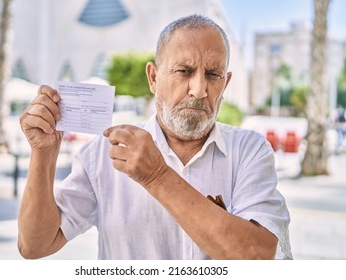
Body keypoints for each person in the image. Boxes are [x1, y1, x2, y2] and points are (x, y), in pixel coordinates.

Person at [18, 14, 292, 260]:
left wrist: (158, 176)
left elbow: (257, 257)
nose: (199, 89)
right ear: (153, 77)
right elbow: (35, 245)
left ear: (226, 83)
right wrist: (43, 154)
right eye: (184, 71)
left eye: (213, 74)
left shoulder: (249, 150)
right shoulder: (104, 153)